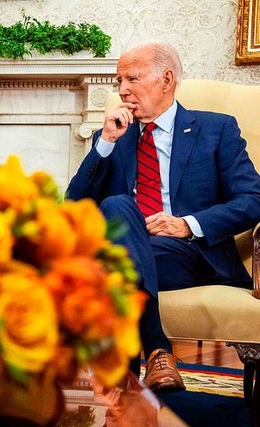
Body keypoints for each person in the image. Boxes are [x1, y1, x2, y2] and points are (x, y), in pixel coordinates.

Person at [67, 42, 260, 392]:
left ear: (166, 79)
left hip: (194, 253)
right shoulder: (112, 137)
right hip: (137, 251)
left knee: (110, 259)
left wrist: (188, 224)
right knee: (117, 208)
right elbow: (74, 203)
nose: (122, 90)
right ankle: (157, 353)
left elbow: (253, 199)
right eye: (119, 80)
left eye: (132, 78)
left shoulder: (215, 130)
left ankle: (123, 373)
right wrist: (106, 141)